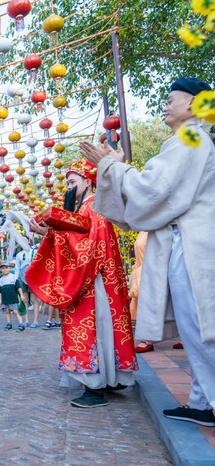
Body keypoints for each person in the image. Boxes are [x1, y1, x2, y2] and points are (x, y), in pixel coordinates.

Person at [80, 77, 215, 426]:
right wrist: (114, 166)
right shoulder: (184, 141)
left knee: (202, 326)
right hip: (181, 243)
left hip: (192, 246)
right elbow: (151, 189)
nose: (165, 105)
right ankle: (203, 400)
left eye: (172, 99)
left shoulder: (193, 138)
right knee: (193, 327)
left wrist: (110, 166)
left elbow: (154, 189)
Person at [27, 158, 137, 409]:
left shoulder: (93, 207)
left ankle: (94, 388)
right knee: (104, 328)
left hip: (93, 282)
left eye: (72, 181)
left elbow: (87, 249)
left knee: (94, 328)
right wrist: (50, 233)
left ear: (88, 181)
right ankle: (111, 378)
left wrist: (51, 235)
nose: (68, 187)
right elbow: (80, 242)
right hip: (98, 278)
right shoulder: (89, 208)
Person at [14, 246, 40, 327]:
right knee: (24, 300)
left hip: (32, 277)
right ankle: (26, 320)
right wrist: (15, 279)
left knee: (33, 300)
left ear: (28, 242)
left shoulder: (34, 252)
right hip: (22, 277)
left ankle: (36, 321)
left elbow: (40, 262)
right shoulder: (19, 255)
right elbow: (17, 268)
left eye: (25, 240)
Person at [0, 261, 24, 333]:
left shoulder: (14, 277)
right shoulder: (1, 280)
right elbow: (0, 291)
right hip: (5, 298)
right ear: (1, 270)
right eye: (3, 268)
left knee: (15, 311)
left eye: (6, 268)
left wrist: (21, 295)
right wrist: (0, 300)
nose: (5, 269)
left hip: (13, 298)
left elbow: (18, 288)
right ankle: (9, 324)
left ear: (10, 268)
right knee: (7, 311)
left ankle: (21, 324)